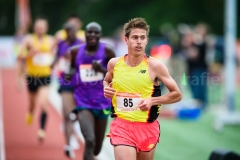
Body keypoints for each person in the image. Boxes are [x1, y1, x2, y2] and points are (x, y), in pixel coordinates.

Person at [103, 18, 182, 160]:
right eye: (135, 37)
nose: (139, 41)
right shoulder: (114, 64)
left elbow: (177, 94)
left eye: (142, 38)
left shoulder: (155, 66)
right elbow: (106, 80)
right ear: (126, 40)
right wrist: (105, 88)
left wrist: (153, 100)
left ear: (146, 40)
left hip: (147, 127)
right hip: (122, 125)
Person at [68, 22, 115, 160]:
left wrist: (101, 70)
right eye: (90, 32)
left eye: (96, 32)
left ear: (100, 35)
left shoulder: (108, 51)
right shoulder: (75, 51)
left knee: (96, 148)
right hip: (83, 101)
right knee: (89, 139)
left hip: (102, 102)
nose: (92, 35)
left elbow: (118, 73)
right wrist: (69, 73)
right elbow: (71, 67)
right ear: (85, 34)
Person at [18, 17, 55, 141]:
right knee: (32, 105)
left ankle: (41, 130)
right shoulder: (29, 40)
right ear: (34, 28)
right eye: (38, 27)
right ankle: (30, 112)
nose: (40, 29)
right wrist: (31, 53)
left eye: (42, 27)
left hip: (45, 77)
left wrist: (53, 63)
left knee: (43, 103)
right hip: (32, 77)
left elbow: (56, 55)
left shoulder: (50, 40)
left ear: (46, 28)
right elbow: (19, 57)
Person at [53, 23, 83, 158]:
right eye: (68, 31)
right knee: (66, 113)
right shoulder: (61, 44)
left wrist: (74, 60)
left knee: (78, 114)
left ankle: (74, 122)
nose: (70, 33)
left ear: (76, 31)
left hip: (80, 84)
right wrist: (52, 64)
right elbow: (56, 57)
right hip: (65, 82)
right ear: (65, 32)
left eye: (73, 31)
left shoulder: (81, 43)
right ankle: (68, 145)